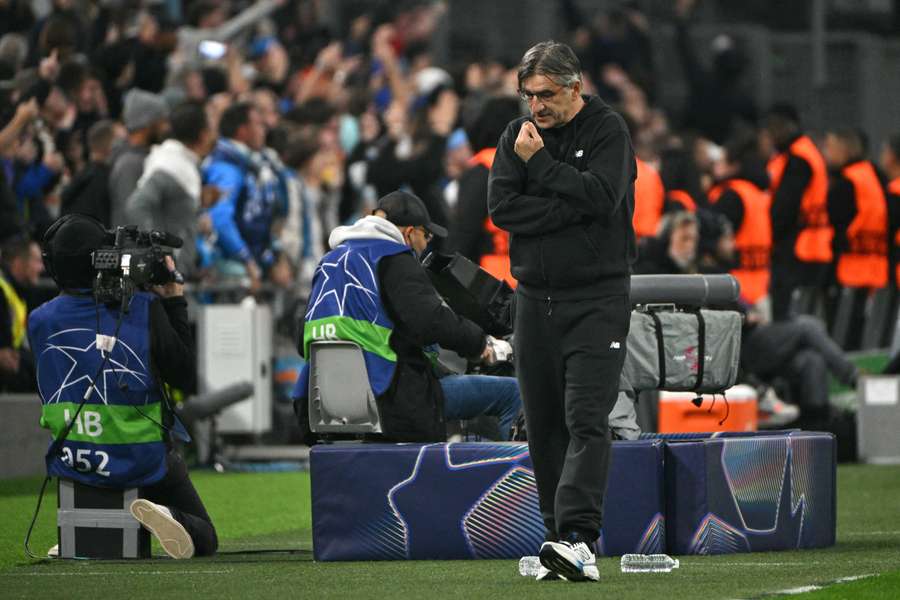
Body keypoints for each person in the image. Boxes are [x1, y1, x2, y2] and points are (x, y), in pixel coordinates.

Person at [487, 41, 635, 582]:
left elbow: (602, 199)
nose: (536, 107)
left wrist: (541, 168)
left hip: (597, 298)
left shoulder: (607, 130)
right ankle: (555, 541)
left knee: (586, 419)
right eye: (527, 95)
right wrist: (566, 207)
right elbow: (502, 208)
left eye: (546, 94)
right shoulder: (515, 135)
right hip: (533, 300)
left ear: (575, 87)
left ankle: (579, 539)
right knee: (543, 423)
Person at [29, 214, 217, 559]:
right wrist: (174, 300)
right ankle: (166, 516)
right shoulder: (143, 309)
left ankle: (84, 534)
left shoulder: (39, 320)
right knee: (205, 538)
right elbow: (184, 377)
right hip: (141, 459)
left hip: (76, 461)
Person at [292, 190, 521, 444]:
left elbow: (302, 336)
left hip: (326, 405)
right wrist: (481, 344)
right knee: (512, 394)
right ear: (409, 233)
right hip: (393, 401)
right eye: (427, 236)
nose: (426, 245)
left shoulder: (330, 262)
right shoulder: (394, 258)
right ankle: (516, 482)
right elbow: (431, 321)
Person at [126, 102, 218, 280]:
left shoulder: (182, 163)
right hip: (162, 282)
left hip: (177, 276)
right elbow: (137, 205)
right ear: (203, 134)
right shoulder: (169, 165)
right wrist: (157, 257)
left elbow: (173, 216)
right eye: (211, 128)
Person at [204, 101, 285, 292]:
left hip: (254, 264)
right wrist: (246, 259)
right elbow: (221, 220)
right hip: (230, 269)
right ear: (242, 131)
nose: (263, 130)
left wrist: (273, 257)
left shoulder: (252, 164)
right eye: (257, 124)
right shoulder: (225, 168)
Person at [764, 104, 832, 321]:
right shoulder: (798, 153)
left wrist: (770, 233)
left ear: (788, 126)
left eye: (775, 128)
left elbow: (785, 206)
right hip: (807, 244)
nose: (772, 134)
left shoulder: (798, 158)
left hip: (798, 246)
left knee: (790, 312)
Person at [108, 89, 170, 227]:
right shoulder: (129, 165)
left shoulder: (148, 157)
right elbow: (131, 223)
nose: (166, 127)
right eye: (162, 122)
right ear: (147, 124)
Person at [0, 235, 42, 391]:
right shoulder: (2, 289)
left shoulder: (17, 291)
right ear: (18, 263)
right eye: (36, 261)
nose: (41, 268)